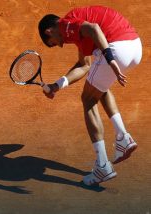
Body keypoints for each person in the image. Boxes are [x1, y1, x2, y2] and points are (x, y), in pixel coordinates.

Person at [38, 6, 142, 186]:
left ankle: (102, 166)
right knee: (99, 88)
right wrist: (56, 86)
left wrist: (110, 60)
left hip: (116, 49)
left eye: (53, 42)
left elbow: (94, 29)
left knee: (88, 99)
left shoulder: (65, 25)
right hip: (135, 47)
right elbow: (84, 65)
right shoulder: (75, 25)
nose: (60, 45)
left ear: (50, 31)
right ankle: (123, 137)